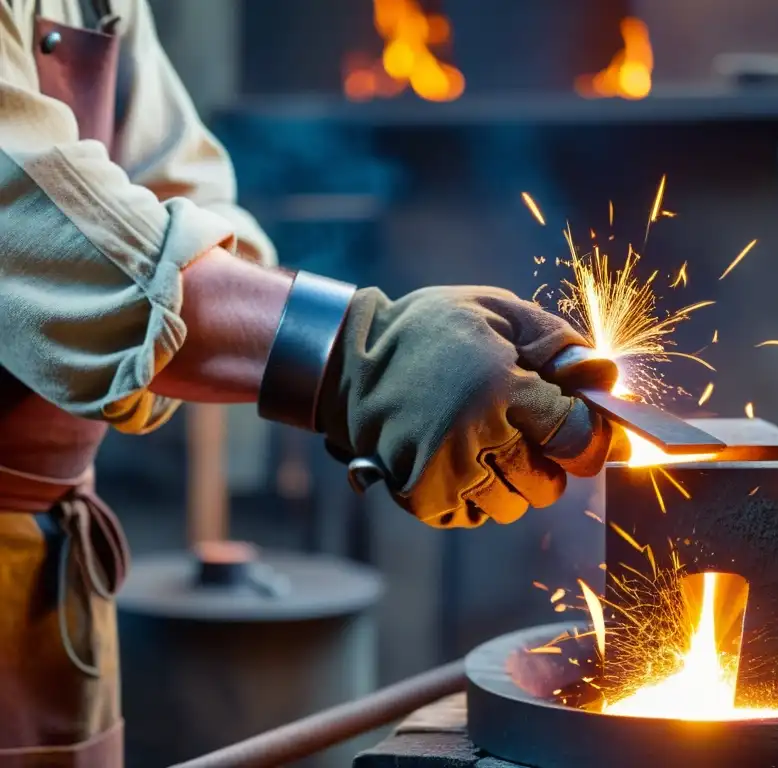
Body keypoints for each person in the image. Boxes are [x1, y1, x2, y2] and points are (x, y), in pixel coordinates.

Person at [0, 1, 617, 764]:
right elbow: (24, 214)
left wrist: (322, 355)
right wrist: (357, 353)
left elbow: (185, 205)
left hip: (52, 570)